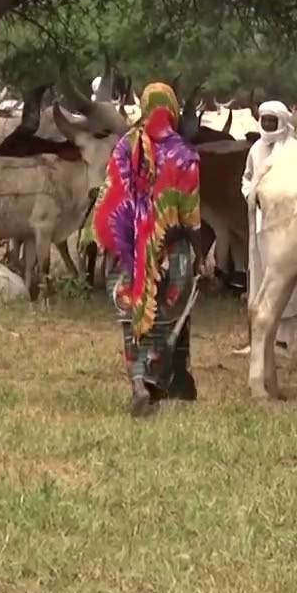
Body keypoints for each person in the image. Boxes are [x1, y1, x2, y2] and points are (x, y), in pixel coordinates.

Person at [86, 82, 202, 416]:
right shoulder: (184, 155)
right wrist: (198, 253)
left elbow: (109, 199)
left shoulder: (124, 148)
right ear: (173, 110)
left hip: (127, 251)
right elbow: (190, 214)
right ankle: (154, 379)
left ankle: (138, 384)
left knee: (131, 321)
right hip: (171, 252)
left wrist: (108, 243)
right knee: (163, 319)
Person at [232, 100, 297, 358]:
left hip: (288, 223)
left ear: (282, 121)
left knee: (286, 279)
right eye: (265, 120)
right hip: (260, 221)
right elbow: (247, 179)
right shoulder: (256, 149)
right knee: (259, 276)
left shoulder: (294, 150)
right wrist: (253, 195)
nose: (268, 125)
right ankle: (259, 340)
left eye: (273, 121)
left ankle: (283, 341)